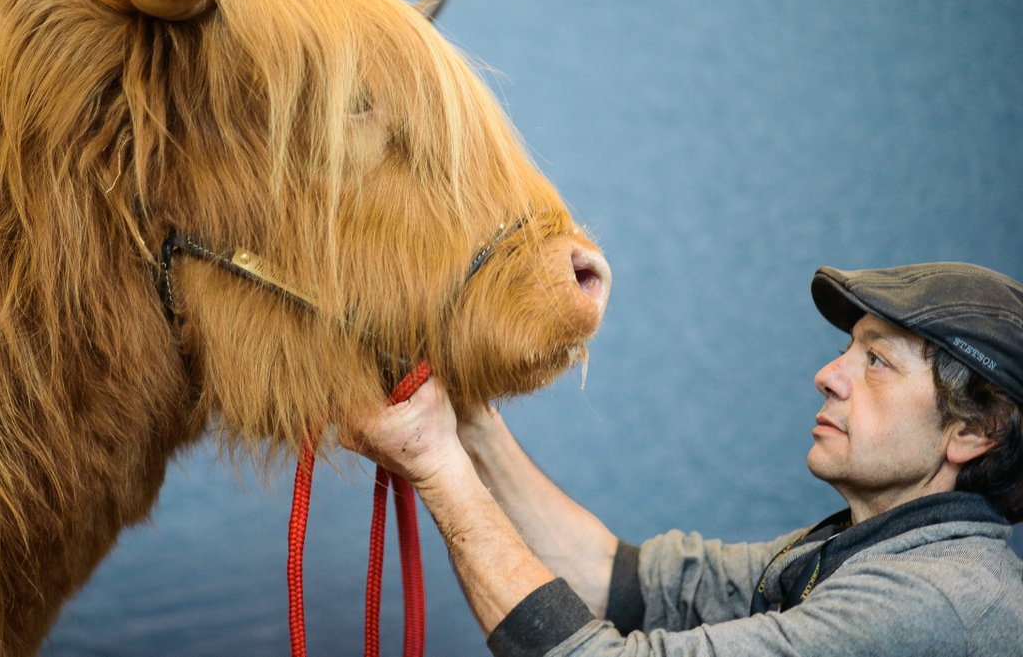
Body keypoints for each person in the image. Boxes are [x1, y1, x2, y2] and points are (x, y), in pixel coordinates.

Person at [343, 262, 1023, 656]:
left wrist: (436, 466)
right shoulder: (860, 551)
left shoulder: (939, 601)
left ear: (973, 430)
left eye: (875, 361)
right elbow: (622, 584)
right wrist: (469, 422)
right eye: (847, 349)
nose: (828, 374)